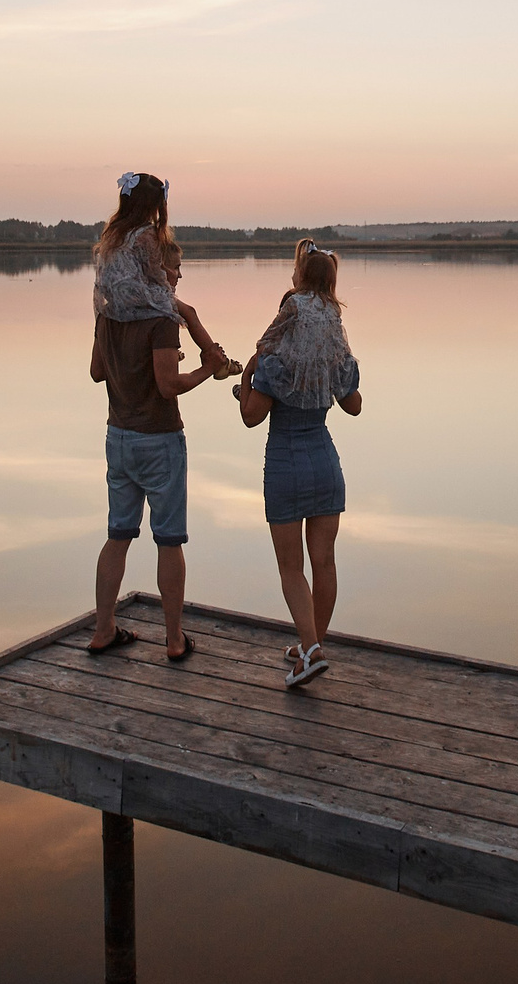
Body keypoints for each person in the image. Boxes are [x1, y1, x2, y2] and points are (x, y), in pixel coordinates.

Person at [87, 172, 229, 662]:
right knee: (169, 542)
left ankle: (104, 628)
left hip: (117, 436)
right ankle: (173, 639)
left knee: (117, 537)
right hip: (159, 440)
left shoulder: (107, 312)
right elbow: (168, 385)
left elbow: (95, 371)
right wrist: (205, 372)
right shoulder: (160, 319)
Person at [236, 239, 362, 688]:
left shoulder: (276, 354)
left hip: (286, 463)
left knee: (292, 567)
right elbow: (354, 406)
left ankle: (309, 651)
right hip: (325, 460)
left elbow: (253, 416)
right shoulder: (333, 346)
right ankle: (313, 644)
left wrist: (248, 377)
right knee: (324, 561)